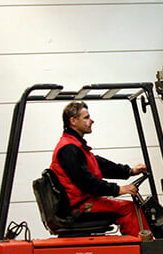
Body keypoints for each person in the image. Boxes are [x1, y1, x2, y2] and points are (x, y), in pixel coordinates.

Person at [50, 101, 149, 237]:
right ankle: (143, 248)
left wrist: (130, 171)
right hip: (79, 206)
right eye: (86, 118)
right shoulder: (69, 149)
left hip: (83, 202)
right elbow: (86, 182)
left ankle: (137, 245)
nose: (91, 121)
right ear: (73, 121)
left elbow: (101, 165)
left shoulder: (76, 146)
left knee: (128, 206)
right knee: (129, 209)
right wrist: (118, 190)